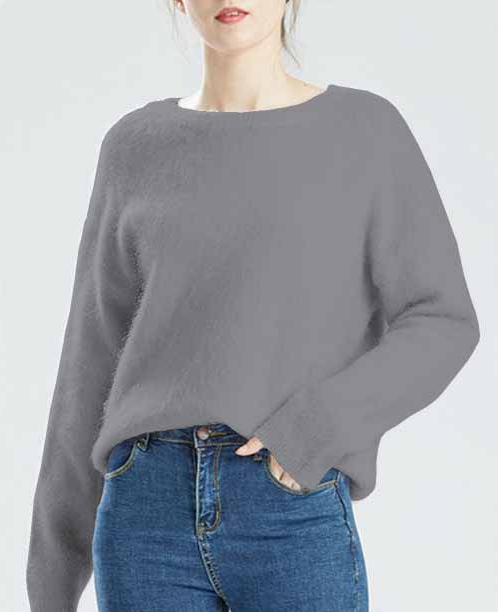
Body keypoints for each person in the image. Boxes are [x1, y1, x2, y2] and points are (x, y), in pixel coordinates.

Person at [26, 1, 480, 611]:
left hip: (289, 506)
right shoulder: (134, 146)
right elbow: (89, 362)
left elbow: (442, 318)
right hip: (144, 516)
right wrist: (51, 581)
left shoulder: (364, 131)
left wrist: (318, 427)